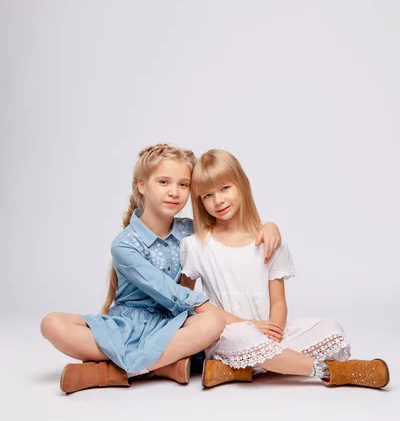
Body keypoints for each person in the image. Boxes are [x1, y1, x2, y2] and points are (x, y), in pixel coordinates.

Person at [40, 144, 282, 394]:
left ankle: (115, 371)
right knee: (52, 324)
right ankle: (162, 366)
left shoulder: (191, 230)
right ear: (142, 185)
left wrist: (269, 226)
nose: (174, 192)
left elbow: (230, 226)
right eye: (164, 182)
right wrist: (243, 323)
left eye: (183, 185)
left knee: (210, 323)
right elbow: (175, 294)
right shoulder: (124, 245)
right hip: (130, 326)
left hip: (176, 327)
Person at [179, 149, 390, 389]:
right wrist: (247, 325)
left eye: (225, 188)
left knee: (330, 329)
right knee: (244, 336)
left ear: (241, 184)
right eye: (207, 195)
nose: (218, 200)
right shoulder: (195, 246)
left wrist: (273, 334)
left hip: (270, 332)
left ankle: (237, 370)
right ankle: (325, 371)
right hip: (229, 336)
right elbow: (191, 302)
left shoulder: (269, 241)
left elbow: (278, 302)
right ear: (199, 201)